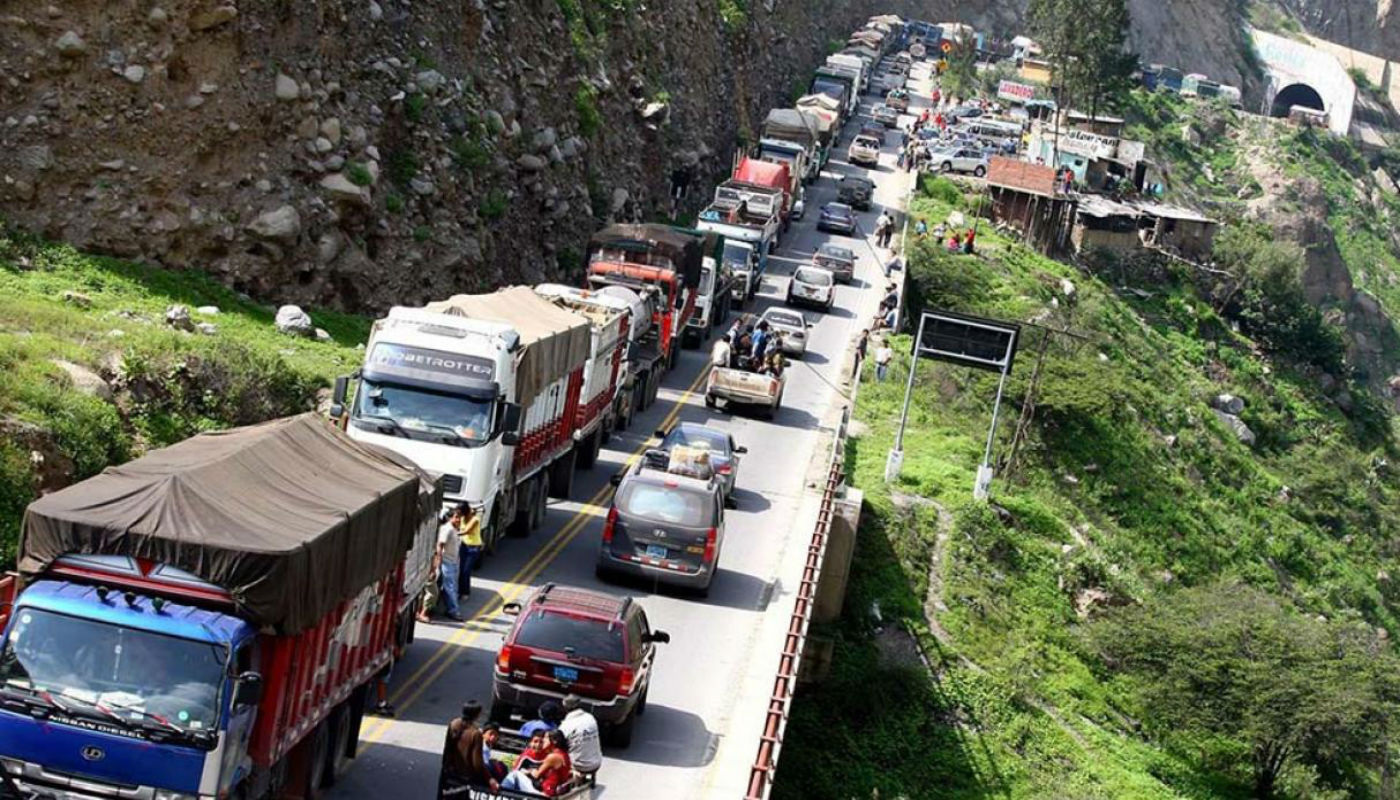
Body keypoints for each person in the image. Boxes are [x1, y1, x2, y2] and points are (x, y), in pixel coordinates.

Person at [439, 700, 496, 794]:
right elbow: (477, 764)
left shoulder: (453, 724)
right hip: (464, 779)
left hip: (448, 774)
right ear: (476, 715)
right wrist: (490, 779)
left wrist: (446, 768)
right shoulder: (476, 734)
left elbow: (447, 750)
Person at [500, 730, 573, 796]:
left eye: (546, 738)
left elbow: (536, 775)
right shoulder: (564, 755)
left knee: (515, 774)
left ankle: (498, 796)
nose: (543, 740)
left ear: (554, 741)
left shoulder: (552, 756)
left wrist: (529, 771)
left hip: (544, 795)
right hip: (551, 792)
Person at [559, 695, 603, 776]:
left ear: (565, 708)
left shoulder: (566, 725)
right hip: (597, 762)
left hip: (578, 766)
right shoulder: (590, 717)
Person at [436, 506, 464, 622]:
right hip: (447, 562)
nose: (458, 520)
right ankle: (453, 611)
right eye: (456, 517)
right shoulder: (447, 529)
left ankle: (448, 608)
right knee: (450, 587)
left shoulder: (454, 529)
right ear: (450, 518)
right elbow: (440, 545)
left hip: (453, 562)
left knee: (451, 587)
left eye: (459, 517)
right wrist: (438, 560)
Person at [457, 505, 483, 600]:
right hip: (464, 546)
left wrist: (454, 533)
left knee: (466, 570)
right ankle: (460, 591)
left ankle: (465, 592)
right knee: (461, 569)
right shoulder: (463, 518)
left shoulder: (475, 520)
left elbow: (467, 531)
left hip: (473, 548)